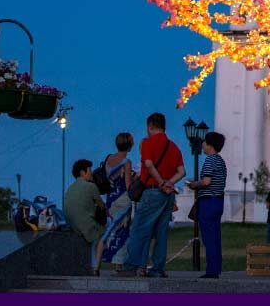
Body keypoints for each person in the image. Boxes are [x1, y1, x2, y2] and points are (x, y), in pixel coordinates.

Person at [119, 112, 186, 278]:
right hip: (168, 195)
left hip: (152, 191)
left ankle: (131, 266)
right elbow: (182, 172)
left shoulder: (148, 143)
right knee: (161, 232)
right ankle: (157, 268)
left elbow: (148, 164)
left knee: (139, 229)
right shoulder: (173, 147)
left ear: (150, 126)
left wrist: (161, 182)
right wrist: (169, 183)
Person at [185, 132, 226, 278]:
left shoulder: (210, 160)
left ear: (209, 144)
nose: (202, 145)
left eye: (204, 142)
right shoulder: (220, 160)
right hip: (218, 201)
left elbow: (206, 181)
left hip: (208, 201)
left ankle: (211, 271)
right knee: (215, 236)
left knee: (208, 237)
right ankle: (216, 268)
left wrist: (193, 185)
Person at [63, 159, 108, 275]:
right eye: (89, 170)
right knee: (103, 235)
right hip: (84, 224)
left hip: (71, 224)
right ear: (83, 172)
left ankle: (91, 265)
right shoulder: (91, 186)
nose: (91, 173)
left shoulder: (70, 188)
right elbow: (102, 205)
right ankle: (95, 268)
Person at [100, 132, 134, 272]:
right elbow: (128, 185)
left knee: (113, 229)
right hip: (123, 198)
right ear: (129, 145)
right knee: (123, 231)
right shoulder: (126, 162)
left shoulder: (108, 159)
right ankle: (119, 263)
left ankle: (110, 258)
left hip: (110, 198)